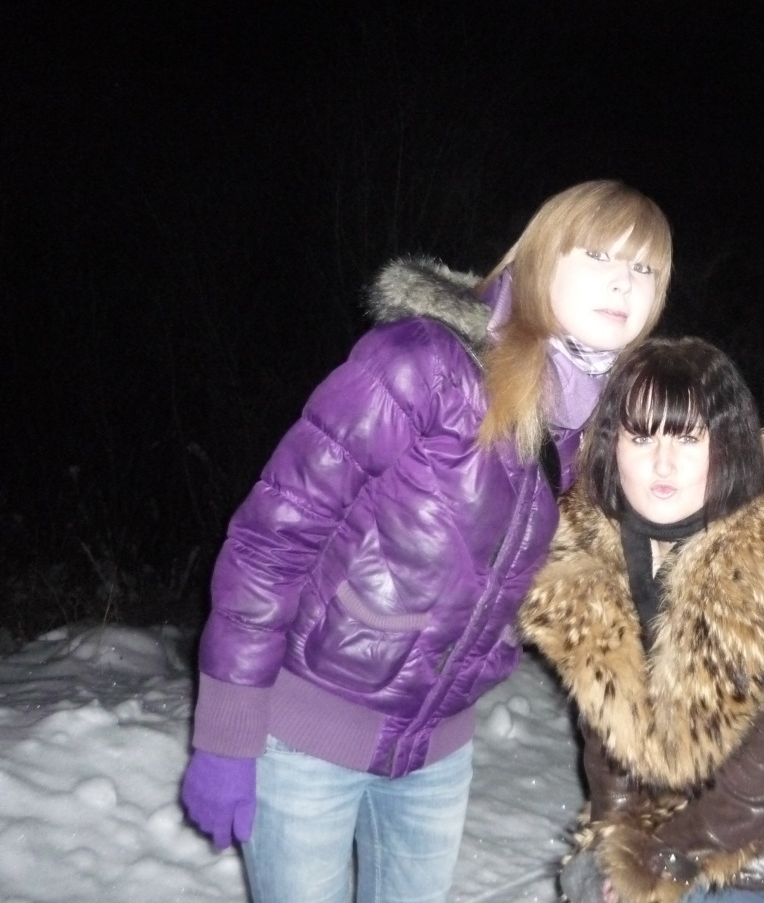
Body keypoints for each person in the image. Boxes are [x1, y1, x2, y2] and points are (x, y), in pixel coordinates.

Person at [179, 180, 673, 903]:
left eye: (645, 267)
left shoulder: (597, 431)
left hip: (437, 752)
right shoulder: (424, 364)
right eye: (599, 254)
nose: (623, 281)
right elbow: (272, 537)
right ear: (541, 256)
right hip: (308, 733)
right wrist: (228, 725)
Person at [519, 337, 764, 903]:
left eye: (688, 438)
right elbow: (609, 721)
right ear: (611, 444)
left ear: (727, 447)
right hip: (695, 800)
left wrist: (662, 859)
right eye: (641, 436)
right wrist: (612, 835)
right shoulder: (591, 560)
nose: (663, 464)